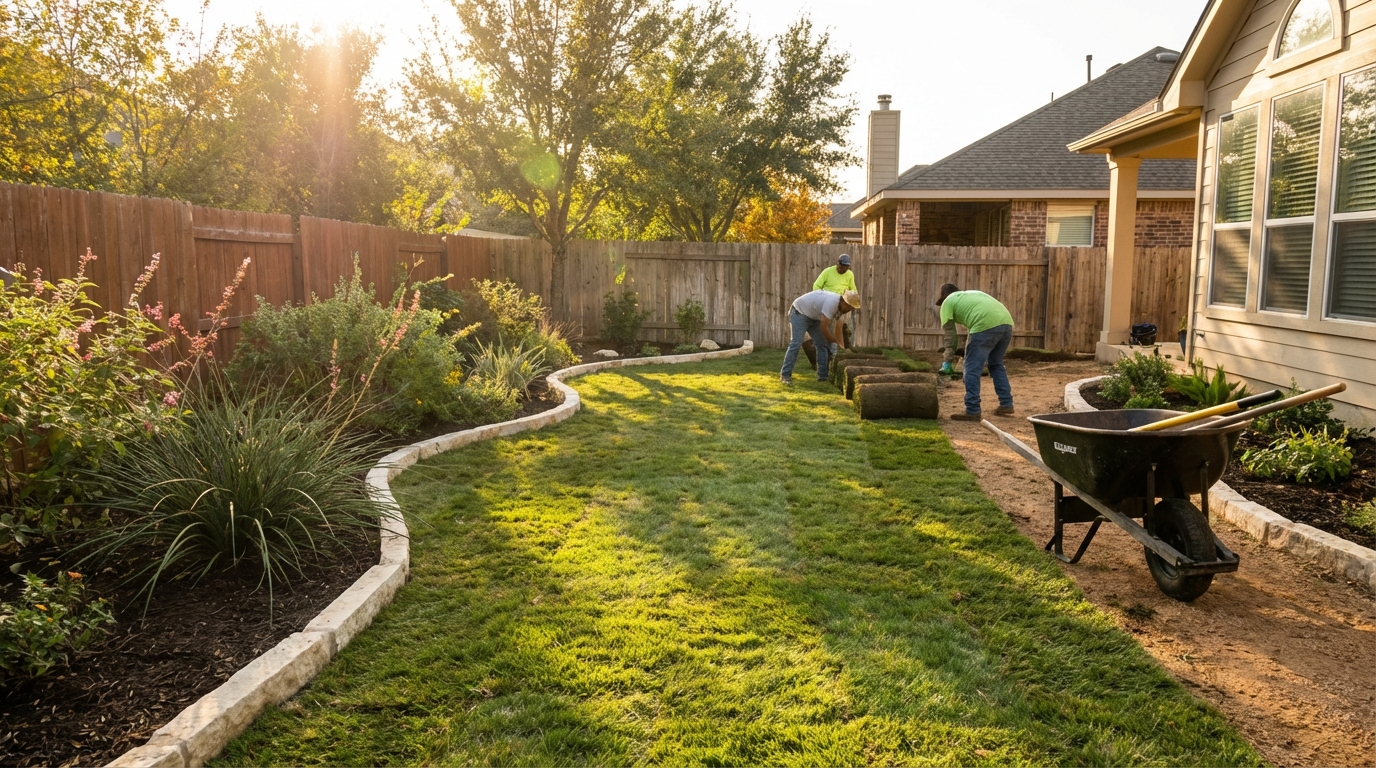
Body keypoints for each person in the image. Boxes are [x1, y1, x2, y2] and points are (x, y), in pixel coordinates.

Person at [936, 283, 1015, 420]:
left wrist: (947, 362)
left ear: (944, 297)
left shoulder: (947, 302)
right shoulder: (971, 294)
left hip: (984, 324)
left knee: (971, 368)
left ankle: (973, 410)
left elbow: (950, 337)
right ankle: (1006, 404)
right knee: (996, 365)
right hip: (1006, 323)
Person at [781, 288, 861, 385]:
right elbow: (823, 328)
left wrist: (842, 347)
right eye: (849, 307)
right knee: (796, 343)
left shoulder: (841, 308)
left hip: (813, 317)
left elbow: (838, 327)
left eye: (852, 308)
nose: (849, 310)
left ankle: (823, 377)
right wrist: (831, 339)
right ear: (844, 301)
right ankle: (785, 375)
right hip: (799, 312)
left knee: (822, 344)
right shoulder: (832, 303)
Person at [812, 254, 858, 352]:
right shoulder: (828, 272)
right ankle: (827, 350)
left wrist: (852, 301)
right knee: (827, 328)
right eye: (841, 267)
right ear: (838, 264)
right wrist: (820, 299)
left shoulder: (850, 274)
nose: (843, 269)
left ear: (848, 267)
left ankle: (844, 348)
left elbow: (853, 290)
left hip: (841, 305)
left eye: (845, 268)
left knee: (845, 329)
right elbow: (816, 286)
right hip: (828, 303)